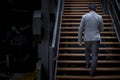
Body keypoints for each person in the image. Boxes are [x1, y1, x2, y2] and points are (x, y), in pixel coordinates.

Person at [78, 4, 104, 76]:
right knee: (94, 55)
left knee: (87, 51)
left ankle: (87, 64)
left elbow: (80, 29)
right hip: (96, 38)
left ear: (88, 9)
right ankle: (92, 72)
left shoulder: (84, 16)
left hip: (87, 38)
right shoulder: (99, 17)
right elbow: (102, 29)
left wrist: (79, 40)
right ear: (96, 9)